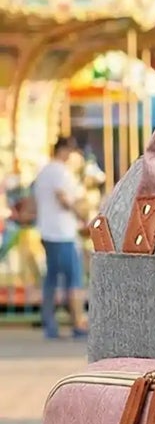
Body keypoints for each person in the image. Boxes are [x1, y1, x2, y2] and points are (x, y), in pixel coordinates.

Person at [31, 135, 88, 340]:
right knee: (74, 279)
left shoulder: (44, 171)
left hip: (47, 230)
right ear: (66, 150)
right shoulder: (60, 172)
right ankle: (78, 322)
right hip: (63, 232)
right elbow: (63, 198)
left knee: (52, 279)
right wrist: (81, 214)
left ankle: (50, 324)